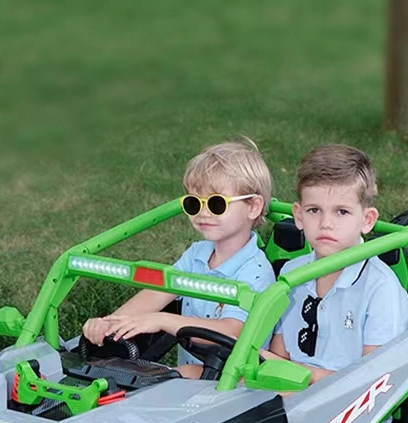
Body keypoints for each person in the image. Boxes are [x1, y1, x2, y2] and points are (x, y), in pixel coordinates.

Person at [82, 140, 275, 377]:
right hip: (195, 377)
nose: (203, 212)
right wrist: (111, 323)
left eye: (216, 203)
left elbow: (231, 333)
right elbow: (156, 293)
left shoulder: (255, 272)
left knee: (154, 383)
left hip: (238, 382)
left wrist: (163, 320)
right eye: (194, 203)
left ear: (253, 207)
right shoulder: (197, 254)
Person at [266, 144, 408, 384]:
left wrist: (305, 376)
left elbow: (377, 381)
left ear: (367, 220)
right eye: (314, 210)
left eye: (341, 212)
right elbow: (278, 353)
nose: (326, 223)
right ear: (298, 215)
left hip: (354, 410)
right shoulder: (291, 274)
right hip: (291, 396)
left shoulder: (379, 288)